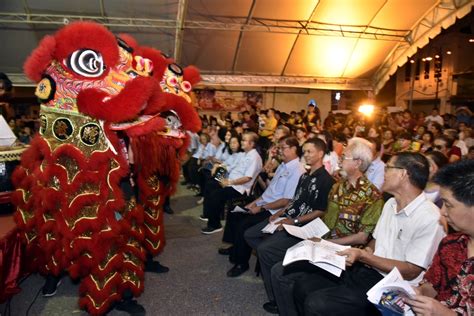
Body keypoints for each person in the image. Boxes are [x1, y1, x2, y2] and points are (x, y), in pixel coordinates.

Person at [292, 152, 445, 315]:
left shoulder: (430, 217)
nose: (383, 173)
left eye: (388, 168)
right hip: (368, 269)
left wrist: (364, 256)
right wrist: (366, 252)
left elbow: (411, 270)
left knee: (317, 303)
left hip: (393, 285)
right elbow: (376, 240)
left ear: (403, 174)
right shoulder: (391, 203)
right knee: (303, 285)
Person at [269, 137, 384, 315]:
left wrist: (328, 244)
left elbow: (362, 237)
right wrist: (308, 233)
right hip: (324, 245)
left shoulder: (372, 196)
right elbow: (325, 221)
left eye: (344, 157)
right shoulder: (337, 188)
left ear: (358, 163)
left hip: (345, 257)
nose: (339, 159)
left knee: (303, 288)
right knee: (279, 271)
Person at [244, 138, 334, 313]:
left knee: (265, 249)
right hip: (289, 217)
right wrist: (279, 214)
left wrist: (293, 221)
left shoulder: (326, 180)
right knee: (254, 235)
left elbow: (320, 211)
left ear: (321, 153)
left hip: (303, 226)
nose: (306, 155)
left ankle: (278, 299)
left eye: (310, 151)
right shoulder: (305, 175)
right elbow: (295, 200)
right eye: (304, 151)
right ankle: (278, 281)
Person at [221, 136, 306, 277]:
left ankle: (241, 263)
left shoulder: (297, 170)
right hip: (265, 203)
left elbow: (286, 201)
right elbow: (269, 191)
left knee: (244, 224)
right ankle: (235, 247)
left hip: (275, 210)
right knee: (234, 213)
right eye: (279, 148)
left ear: (294, 149)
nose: (279, 151)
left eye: (283, 148)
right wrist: (254, 203)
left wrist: (260, 207)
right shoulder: (283, 165)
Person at [405, 159, 473, 315]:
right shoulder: (450, 244)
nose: (442, 212)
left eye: (448, 204)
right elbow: (432, 286)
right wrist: (418, 293)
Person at [201, 132, 262, 234]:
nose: (241, 142)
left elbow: (247, 178)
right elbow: (230, 167)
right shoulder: (244, 154)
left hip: (239, 188)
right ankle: (210, 215)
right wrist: (222, 174)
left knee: (215, 195)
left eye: (244, 140)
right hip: (230, 182)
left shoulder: (254, 157)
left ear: (252, 144)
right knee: (210, 185)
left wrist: (229, 182)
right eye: (242, 140)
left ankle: (215, 225)